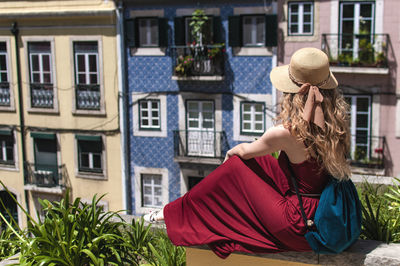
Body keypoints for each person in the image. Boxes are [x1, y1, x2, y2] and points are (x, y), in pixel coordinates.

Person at [143, 47, 351, 259]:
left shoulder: (287, 133)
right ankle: (184, 211)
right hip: (327, 214)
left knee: (236, 163)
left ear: (292, 94)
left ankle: (171, 213)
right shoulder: (337, 127)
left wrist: (228, 158)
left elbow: (243, 151)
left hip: (299, 224)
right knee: (261, 162)